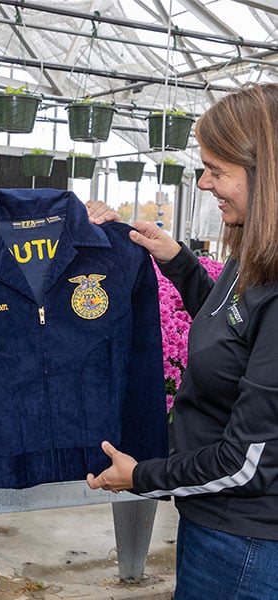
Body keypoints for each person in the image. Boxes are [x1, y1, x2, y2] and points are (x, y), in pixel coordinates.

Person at [86, 82, 278, 599]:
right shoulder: (257, 255)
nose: (205, 183)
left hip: (248, 544)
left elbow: (245, 463)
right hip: (219, 525)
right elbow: (232, 329)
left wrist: (142, 477)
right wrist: (179, 262)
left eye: (218, 171)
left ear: (266, 176)